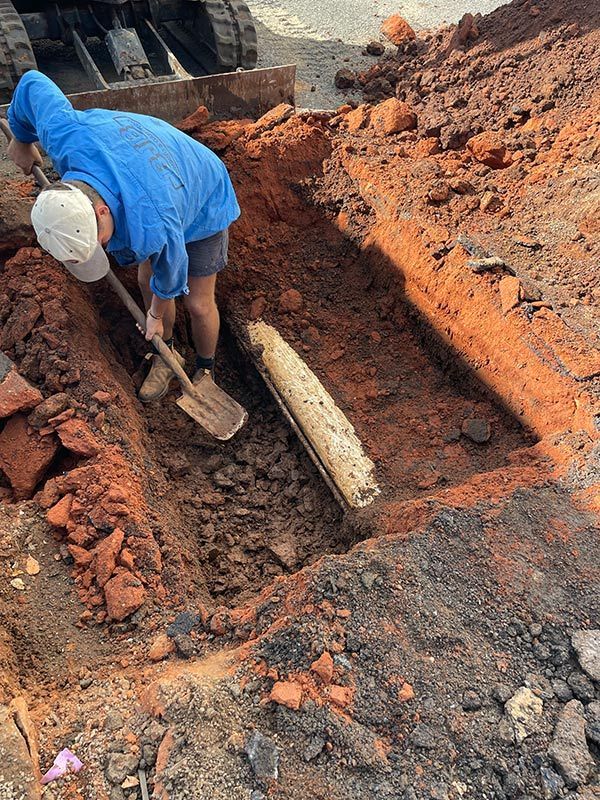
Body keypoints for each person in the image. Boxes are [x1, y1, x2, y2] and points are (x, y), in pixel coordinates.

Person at [6, 69, 240, 402]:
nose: (102, 249)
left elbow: (172, 271)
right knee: (146, 281)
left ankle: (205, 369)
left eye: (98, 242)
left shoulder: (153, 223)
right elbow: (32, 84)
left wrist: (155, 316)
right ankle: (168, 355)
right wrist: (22, 136)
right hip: (150, 167)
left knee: (198, 303)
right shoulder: (65, 136)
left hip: (203, 191)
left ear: (101, 211)